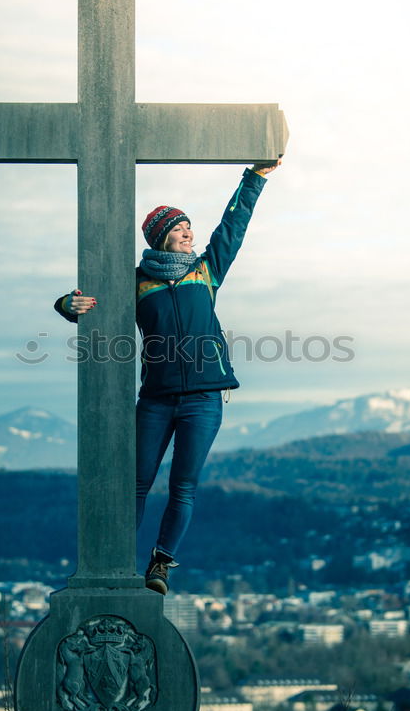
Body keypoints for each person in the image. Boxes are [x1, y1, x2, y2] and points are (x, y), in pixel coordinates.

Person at [55, 160, 281, 594]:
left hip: (204, 400)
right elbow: (85, 299)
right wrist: (68, 305)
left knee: (184, 486)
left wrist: (255, 178)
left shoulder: (206, 271)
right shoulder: (134, 283)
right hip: (156, 400)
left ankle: (159, 564)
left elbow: (233, 226)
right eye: (180, 229)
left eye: (190, 228)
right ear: (160, 237)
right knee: (135, 483)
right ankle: (116, 561)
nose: (189, 234)